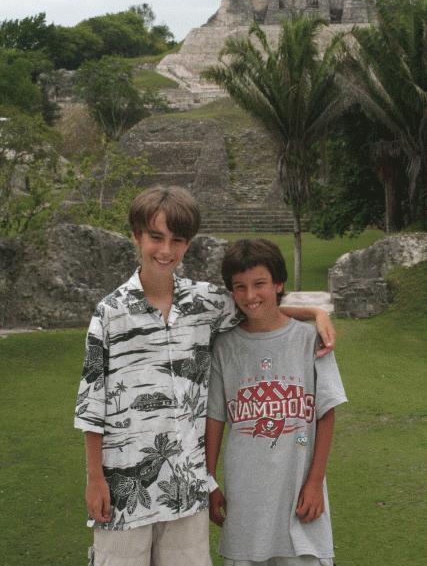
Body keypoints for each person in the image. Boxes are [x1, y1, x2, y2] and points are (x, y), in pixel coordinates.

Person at [74, 186, 336, 566]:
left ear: (188, 244)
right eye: (156, 237)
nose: (166, 251)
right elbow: (91, 403)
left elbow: (257, 304)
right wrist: (94, 478)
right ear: (137, 236)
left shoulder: (205, 303)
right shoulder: (109, 313)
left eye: (177, 240)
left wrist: (315, 314)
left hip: (188, 487)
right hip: (124, 488)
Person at [206, 238, 347, 566]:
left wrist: (314, 482)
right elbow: (214, 419)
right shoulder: (224, 347)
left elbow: (326, 413)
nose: (250, 295)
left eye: (259, 284)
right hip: (245, 498)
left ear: (278, 283)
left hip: (298, 493)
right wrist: (210, 481)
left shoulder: (311, 340)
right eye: (239, 287)